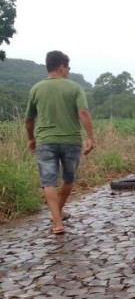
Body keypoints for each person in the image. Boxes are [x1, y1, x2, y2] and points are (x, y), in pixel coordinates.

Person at [25, 50, 95, 235]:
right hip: (71, 141)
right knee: (69, 179)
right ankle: (57, 216)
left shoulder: (36, 89)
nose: (69, 71)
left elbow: (29, 119)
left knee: (48, 182)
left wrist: (31, 138)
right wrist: (90, 137)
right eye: (68, 67)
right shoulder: (74, 88)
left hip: (46, 142)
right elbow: (84, 113)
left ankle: (57, 221)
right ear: (62, 66)